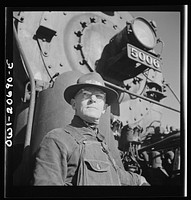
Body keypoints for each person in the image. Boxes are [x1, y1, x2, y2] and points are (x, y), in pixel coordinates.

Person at [32, 72, 149, 186]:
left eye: (99, 96)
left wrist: (138, 180)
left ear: (104, 108)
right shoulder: (57, 139)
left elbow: (113, 174)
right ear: (73, 104)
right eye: (85, 94)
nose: (93, 99)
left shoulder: (102, 143)